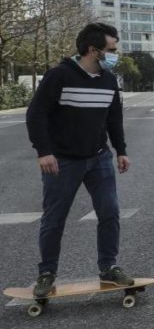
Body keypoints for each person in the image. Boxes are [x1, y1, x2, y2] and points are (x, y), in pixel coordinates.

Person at [26, 23, 133, 298]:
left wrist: (121, 150)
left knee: (109, 211)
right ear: (93, 50)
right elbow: (36, 114)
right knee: (55, 218)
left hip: (98, 157)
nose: (115, 55)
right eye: (111, 50)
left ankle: (108, 267)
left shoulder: (109, 81)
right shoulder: (60, 76)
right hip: (62, 161)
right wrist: (44, 151)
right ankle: (47, 273)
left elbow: (114, 119)